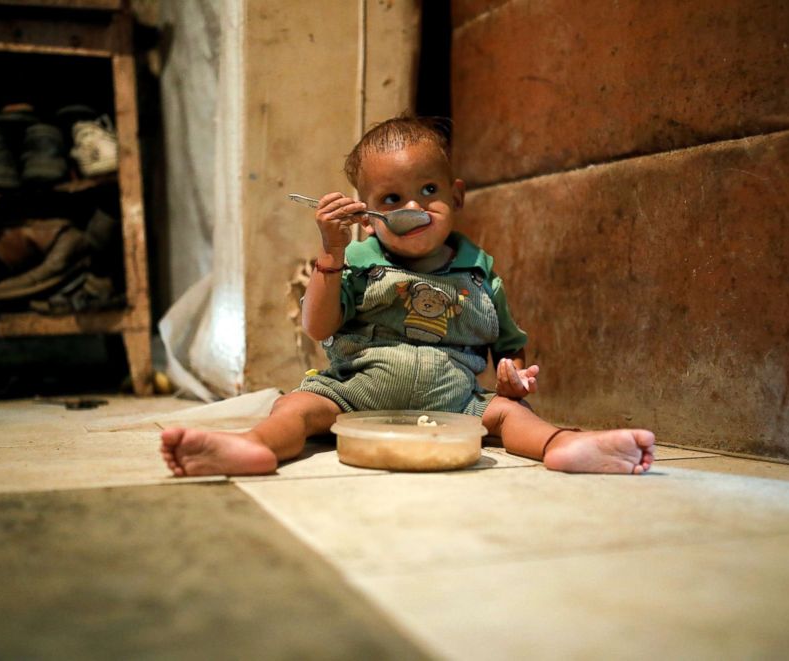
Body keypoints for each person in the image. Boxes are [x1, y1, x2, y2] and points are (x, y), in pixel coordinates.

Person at [161, 115, 655, 476]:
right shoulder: (357, 261)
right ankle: (254, 448)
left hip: (455, 397)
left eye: (428, 190)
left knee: (510, 417)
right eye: (392, 199)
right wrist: (331, 253)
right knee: (294, 407)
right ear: (366, 211)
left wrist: (514, 380)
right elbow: (317, 327)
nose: (413, 207)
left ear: (456, 196)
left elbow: (509, 347)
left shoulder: (480, 273)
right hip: (353, 392)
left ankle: (563, 447)